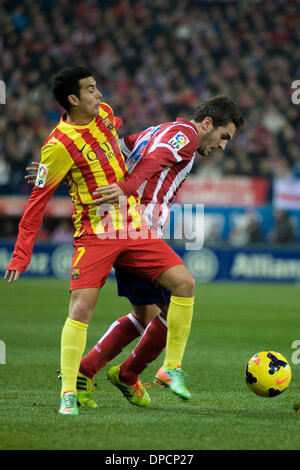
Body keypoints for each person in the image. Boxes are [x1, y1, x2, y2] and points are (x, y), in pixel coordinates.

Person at [27, 94, 244, 407]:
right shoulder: (186, 136)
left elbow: (111, 154)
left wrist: (58, 173)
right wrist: (127, 189)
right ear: (208, 123)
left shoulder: (158, 130)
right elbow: (153, 161)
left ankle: (87, 372)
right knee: (176, 298)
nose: (223, 145)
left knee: (147, 313)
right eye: (224, 136)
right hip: (135, 229)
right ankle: (132, 373)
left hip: (121, 226)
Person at [5, 66, 197, 416]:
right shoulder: (58, 145)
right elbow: (36, 204)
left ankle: (171, 367)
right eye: (92, 90)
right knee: (81, 309)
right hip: (95, 232)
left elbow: (122, 141)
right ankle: (68, 391)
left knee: (184, 283)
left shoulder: (105, 115)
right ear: (73, 99)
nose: (100, 95)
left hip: (133, 224)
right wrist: (20, 255)